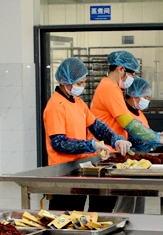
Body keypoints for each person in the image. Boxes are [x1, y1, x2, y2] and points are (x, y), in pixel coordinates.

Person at [45, 57, 128, 212]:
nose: (81, 87)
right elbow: (59, 143)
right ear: (65, 81)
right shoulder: (55, 106)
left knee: (80, 216)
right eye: (79, 83)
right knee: (65, 218)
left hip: (78, 170)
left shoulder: (78, 102)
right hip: (62, 174)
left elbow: (96, 126)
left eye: (83, 83)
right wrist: (91, 145)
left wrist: (115, 140)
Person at [92, 50, 163, 151]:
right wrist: (157, 138)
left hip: (113, 148)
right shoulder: (109, 88)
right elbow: (129, 124)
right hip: (107, 150)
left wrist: (154, 135)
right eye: (131, 74)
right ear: (121, 69)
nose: (132, 78)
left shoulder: (113, 88)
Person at [123, 76, 163, 153]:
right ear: (133, 93)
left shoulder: (140, 114)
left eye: (148, 98)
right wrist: (153, 139)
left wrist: (158, 136)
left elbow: (145, 133)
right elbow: (130, 137)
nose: (146, 101)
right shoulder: (123, 113)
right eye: (145, 97)